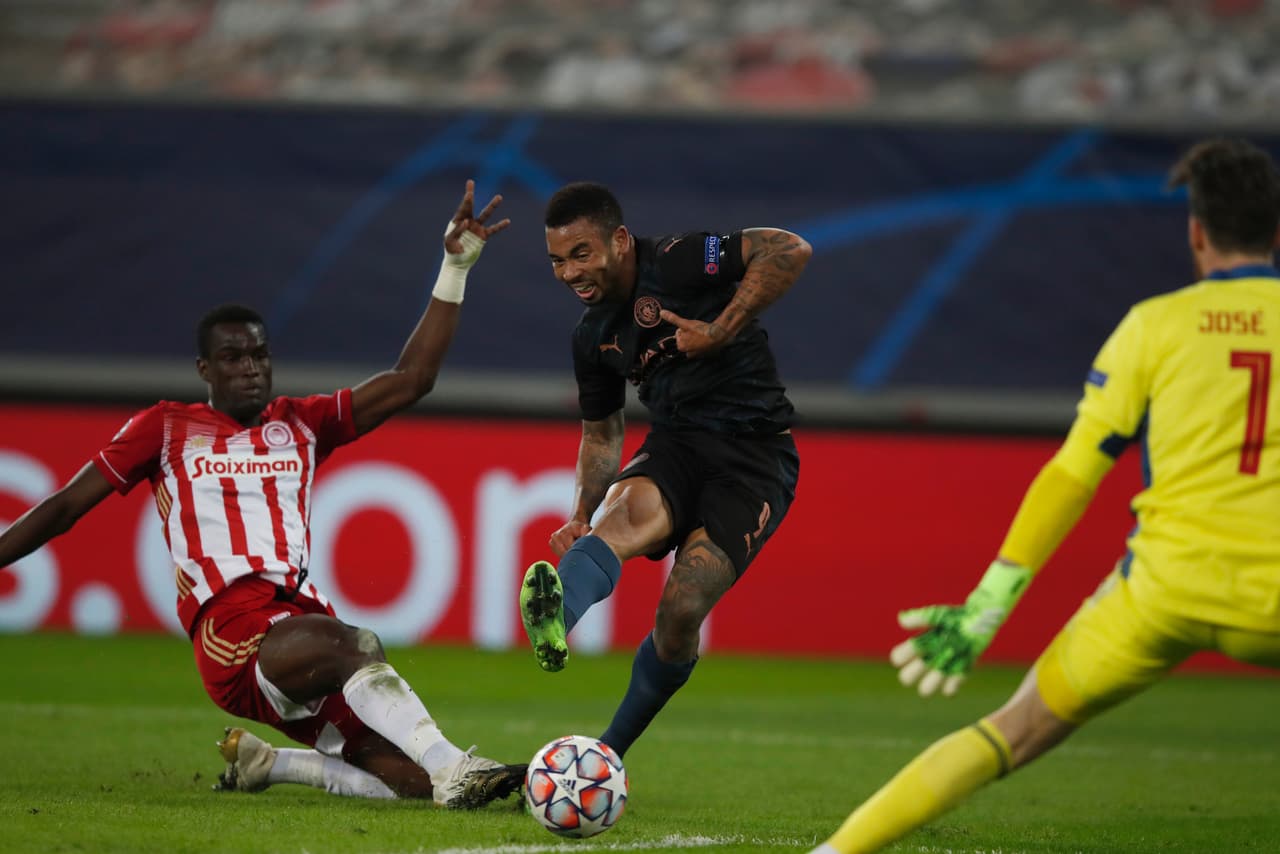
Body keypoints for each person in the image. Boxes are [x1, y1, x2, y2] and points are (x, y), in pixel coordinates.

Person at [809, 137, 1280, 854]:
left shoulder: (1154, 325)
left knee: (1011, 731)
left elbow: (1073, 472)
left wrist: (987, 606)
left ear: (1196, 232)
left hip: (1163, 594)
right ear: (1275, 234)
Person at [0, 180, 526, 808]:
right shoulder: (163, 429)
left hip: (298, 616)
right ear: (205, 370)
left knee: (407, 784)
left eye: (258, 355)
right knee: (356, 647)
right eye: (232, 358)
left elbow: (413, 379)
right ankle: (456, 765)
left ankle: (275, 765)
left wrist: (455, 264)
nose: (249, 366)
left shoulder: (300, 423)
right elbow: (63, 506)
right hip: (234, 630)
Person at [518, 181, 811, 758]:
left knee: (681, 609)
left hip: (754, 457)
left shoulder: (678, 261)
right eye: (556, 260)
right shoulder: (591, 337)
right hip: (677, 444)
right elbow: (602, 433)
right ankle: (556, 621)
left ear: (620, 241)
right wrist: (579, 511)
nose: (570, 272)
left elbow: (789, 248)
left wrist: (720, 329)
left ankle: (609, 750)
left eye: (582, 254)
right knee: (619, 520)